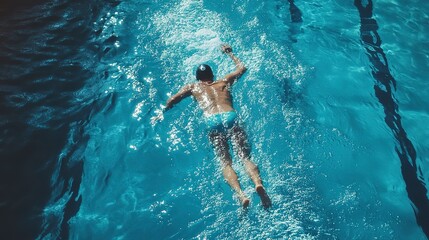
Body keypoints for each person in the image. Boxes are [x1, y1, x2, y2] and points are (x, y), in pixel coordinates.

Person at [152, 44, 271, 209]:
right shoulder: (224, 81)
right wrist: (230, 53)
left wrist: (162, 112)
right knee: (244, 157)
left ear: (198, 79)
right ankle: (258, 184)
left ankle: (241, 194)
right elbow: (242, 68)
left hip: (212, 121)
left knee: (226, 163)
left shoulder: (193, 87)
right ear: (212, 75)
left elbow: (173, 99)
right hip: (230, 116)